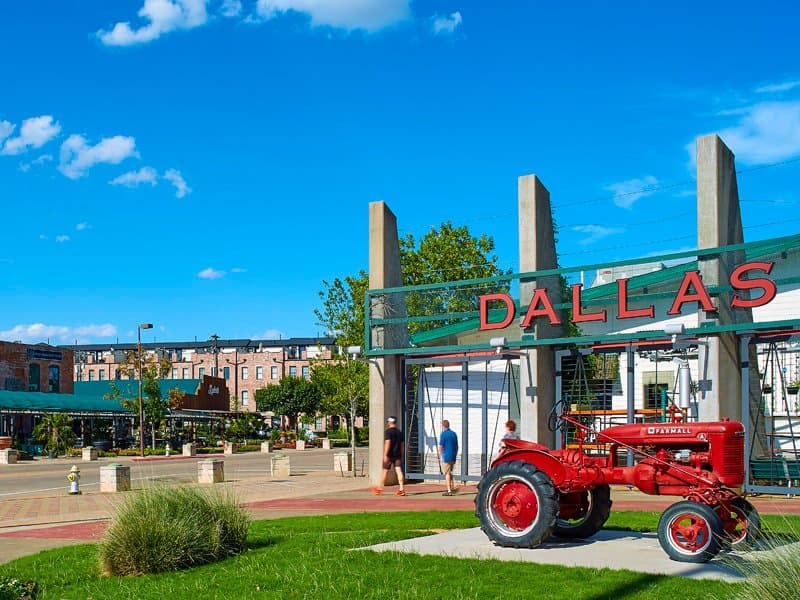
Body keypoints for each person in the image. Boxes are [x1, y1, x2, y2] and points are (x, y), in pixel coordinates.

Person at [372, 416, 405, 496]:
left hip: (390, 455)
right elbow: (402, 445)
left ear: (389, 422)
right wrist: (401, 455)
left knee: (385, 471)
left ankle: (379, 488)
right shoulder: (399, 432)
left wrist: (385, 455)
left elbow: (387, 443)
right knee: (399, 471)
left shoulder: (388, 432)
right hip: (397, 455)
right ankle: (401, 489)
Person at [438, 420, 459, 496]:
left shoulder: (443, 434)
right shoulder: (454, 434)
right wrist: (455, 454)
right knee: (449, 471)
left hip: (446, 456)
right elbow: (457, 446)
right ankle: (455, 485)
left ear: (443, 426)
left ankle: (449, 490)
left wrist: (440, 456)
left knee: (447, 473)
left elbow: (441, 446)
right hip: (453, 455)